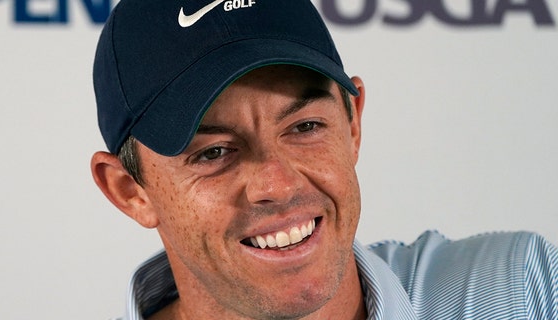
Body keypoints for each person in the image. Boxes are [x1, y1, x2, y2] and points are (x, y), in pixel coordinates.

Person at [89, 0, 558, 319]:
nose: (277, 183)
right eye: (213, 152)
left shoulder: (520, 288)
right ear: (129, 191)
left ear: (352, 125)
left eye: (305, 127)